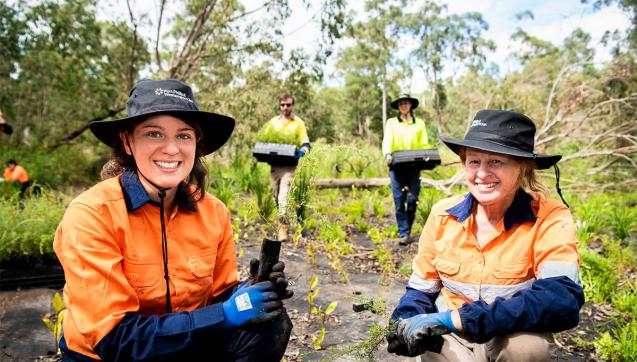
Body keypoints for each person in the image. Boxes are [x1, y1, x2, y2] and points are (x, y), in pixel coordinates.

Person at [53, 79, 293, 361]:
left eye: (183, 136)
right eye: (154, 134)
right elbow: (115, 340)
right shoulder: (91, 215)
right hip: (107, 354)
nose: (171, 149)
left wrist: (248, 289)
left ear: (196, 144)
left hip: (186, 347)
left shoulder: (213, 212)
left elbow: (217, 295)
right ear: (127, 142)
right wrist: (227, 314)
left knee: (271, 323)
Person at [387, 109, 584, 361]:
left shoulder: (550, 217)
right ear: (464, 164)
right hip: (450, 336)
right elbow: (420, 290)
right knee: (429, 345)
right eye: (474, 161)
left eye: (496, 162)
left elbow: (562, 299)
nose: (481, 173)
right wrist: (402, 321)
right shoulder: (442, 215)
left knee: (529, 349)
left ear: (522, 168)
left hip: (509, 330)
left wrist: (458, 318)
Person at [382, 93, 435, 245]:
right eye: (400, 104)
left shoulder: (419, 124)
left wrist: (428, 156)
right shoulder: (392, 123)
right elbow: (387, 141)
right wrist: (387, 155)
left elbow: (424, 144)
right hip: (396, 167)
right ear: (398, 107)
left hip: (413, 167)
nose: (403, 106)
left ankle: (408, 228)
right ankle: (403, 233)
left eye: (406, 103)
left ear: (410, 105)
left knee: (412, 200)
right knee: (399, 201)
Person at [259, 94, 310, 241]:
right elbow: (264, 139)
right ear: (279, 106)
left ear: (292, 106)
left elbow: (305, 142)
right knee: (276, 196)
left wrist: (302, 151)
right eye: (283, 105)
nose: (285, 108)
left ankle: (283, 230)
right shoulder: (273, 123)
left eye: (288, 105)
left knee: (283, 198)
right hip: (274, 166)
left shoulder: (298, 123)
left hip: (290, 167)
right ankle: (284, 222)